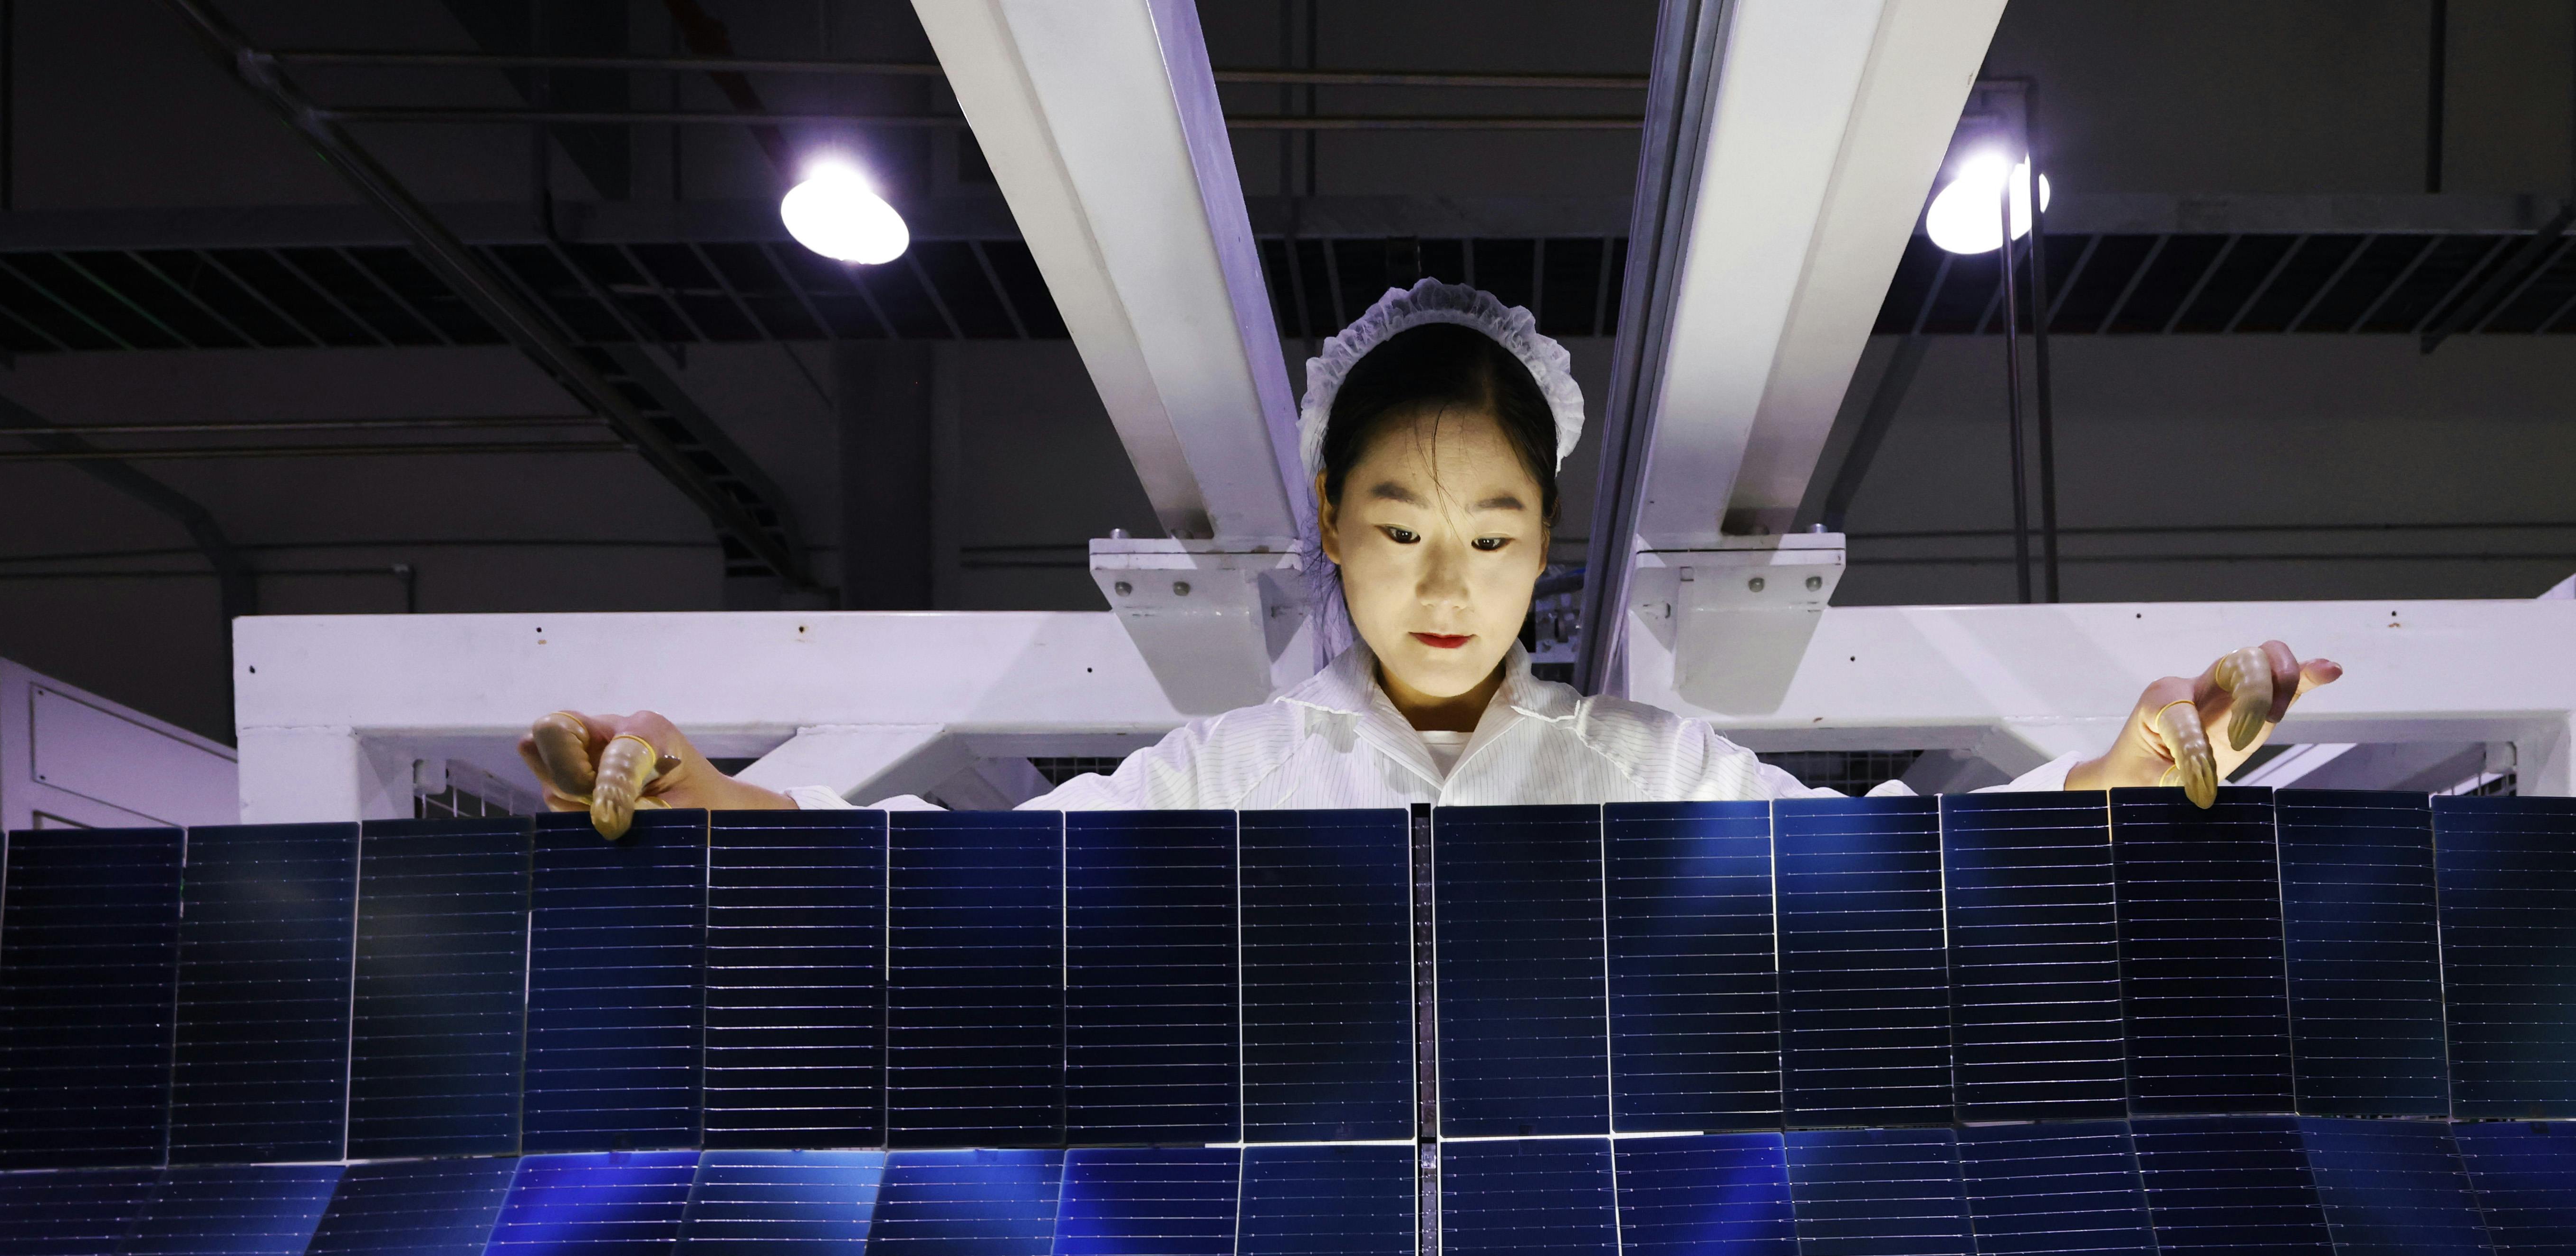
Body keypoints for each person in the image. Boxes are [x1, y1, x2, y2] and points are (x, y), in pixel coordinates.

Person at [521, 280, 2335, 824]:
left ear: (1549, 547)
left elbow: (1897, 878)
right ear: (1329, 526)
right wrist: (710, 805)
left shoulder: (1650, 776)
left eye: (1492, 534)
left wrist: (2125, 770)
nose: (1446, 586)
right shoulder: (1228, 778)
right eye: (1397, 531)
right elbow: (963, 891)